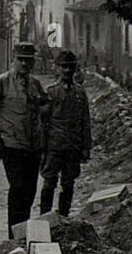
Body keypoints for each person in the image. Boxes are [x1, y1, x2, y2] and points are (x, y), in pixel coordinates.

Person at [0, 41, 49, 236]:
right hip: (12, 147)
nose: (24, 64)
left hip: (33, 148)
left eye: (28, 60)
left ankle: (23, 233)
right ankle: (14, 237)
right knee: (18, 189)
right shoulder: (2, 82)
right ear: (12, 60)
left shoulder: (35, 84)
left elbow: (45, 108)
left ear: (33, 62)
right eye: (20, 60)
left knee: (30, 191)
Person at [39, 49, 92, 216]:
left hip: (73, 146)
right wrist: (43, 147)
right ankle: (44, 218)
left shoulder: (80, 92)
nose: (68, 71)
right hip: (54, 145)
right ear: (58, 68)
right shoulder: (51, 92)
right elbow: (43, 122)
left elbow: (85, 120)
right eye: (64, 67)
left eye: (71, 67)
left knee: (68, 183)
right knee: (49, 181)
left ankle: (63, 217)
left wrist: (86, 146)